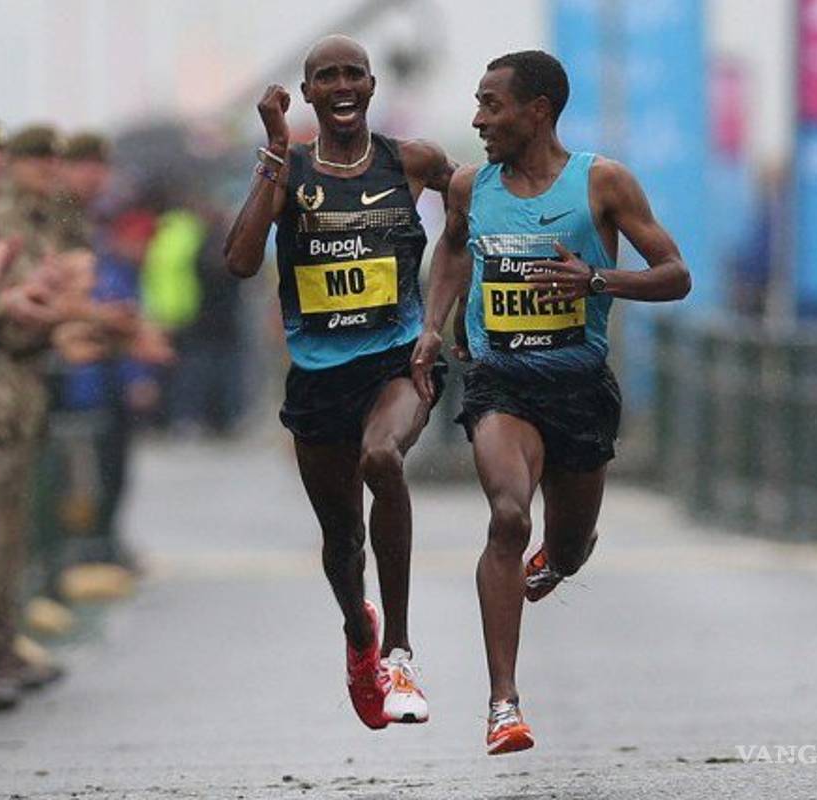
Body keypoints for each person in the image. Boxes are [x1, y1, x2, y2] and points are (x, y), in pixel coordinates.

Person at [411, 50, 691, 755]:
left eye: (492, 106)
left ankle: (560, 558)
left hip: (579, 389)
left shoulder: (602, 182)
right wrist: (435, 324)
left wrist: (596, 280)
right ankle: (503, 703)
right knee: (507, 518)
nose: (478, 121)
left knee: (565, 545)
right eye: (475, 104)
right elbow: (450, 250)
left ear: (538, 111)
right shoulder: (472, 188)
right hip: (502, 383)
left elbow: (675, 274)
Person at [224, 34, 456, 729]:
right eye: (327, 77)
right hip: (320, 374)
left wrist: (440, 313)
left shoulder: (410, 160)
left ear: (372, 85)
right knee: (340, 542)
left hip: (398, 362)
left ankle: (400, 651)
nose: (343, 86)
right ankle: (360, 634)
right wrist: (271, 149)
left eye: (354, 73)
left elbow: (477, 201)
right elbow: (238, 261)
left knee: (383, 459)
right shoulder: (288, 169)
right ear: (309, 91)